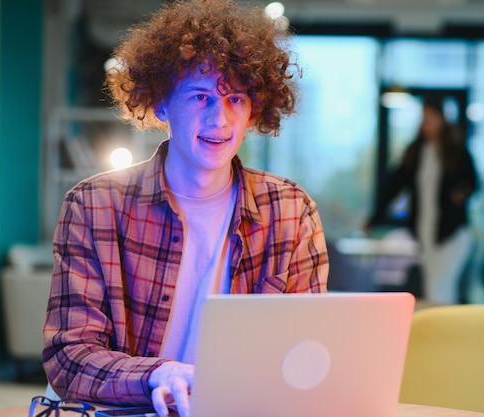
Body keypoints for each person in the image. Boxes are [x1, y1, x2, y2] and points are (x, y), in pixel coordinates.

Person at [41, 1, 329, 416]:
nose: (220, 119)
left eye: (235, 98)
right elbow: (69, 356)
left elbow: (308, 353)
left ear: (255, 109)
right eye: (200, 95)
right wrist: (157, 375)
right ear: (160, 103)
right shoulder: (94, 205)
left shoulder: (290, 211)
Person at [366, 96, 478, 304]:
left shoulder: (456, 151)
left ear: (442, 119)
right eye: (424, 118)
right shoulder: (416, 152)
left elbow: (472, 183)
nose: (426, 123)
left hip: (452, 232)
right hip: (426, 232)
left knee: (441, 286)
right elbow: (393, 187)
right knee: (432, 286)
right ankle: (440, 331)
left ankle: (445, 332)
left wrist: (460, 193)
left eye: (431, 117)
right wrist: (373, 219)